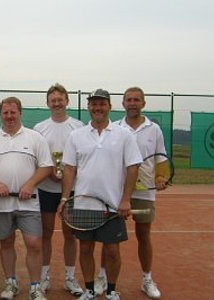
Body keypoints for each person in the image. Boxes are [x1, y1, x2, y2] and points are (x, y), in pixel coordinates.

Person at [57, 89, 142, 300]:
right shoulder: (76, 136)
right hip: (84, 204)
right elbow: (69, 169)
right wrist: (65, 199)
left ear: (109, 107)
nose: (98, 108)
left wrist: (125, 200)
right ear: (89, 107)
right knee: (85, 248)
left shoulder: (124, 135)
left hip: (112, 205)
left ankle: (112, 291)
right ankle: (89, 290)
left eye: (102, 104)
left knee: (112, 251)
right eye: (94, 104)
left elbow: (133, 167)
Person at [0, 96, 53, 300]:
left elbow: (46, 166)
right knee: (6, 243)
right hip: (0, 204)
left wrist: (29, 184)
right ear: (0, 114)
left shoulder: (35, 138)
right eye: (5, 113)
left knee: (34, 243)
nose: (9, 116)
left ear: (20, 113)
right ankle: (11, 283)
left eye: (13, 112)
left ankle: (35, 287)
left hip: (29, 202)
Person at [92, 87, 165, 299]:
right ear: (122, 104)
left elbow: (161, 160)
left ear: (143, 103)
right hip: (116, 192)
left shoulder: (155, 130)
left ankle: (147, 279)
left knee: (144, 235)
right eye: (129, 100)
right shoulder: (114, 128)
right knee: (109, 239)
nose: (132, 103)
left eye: (136, 100)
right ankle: (103, 276)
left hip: (144, 193)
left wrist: (160, 178)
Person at [33, 83, 84, 296]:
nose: (56, 103)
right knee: (45, 234)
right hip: (45, 189)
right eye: (53, 100)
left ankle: (70, 278)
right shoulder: (39, 128)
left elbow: (83, 156)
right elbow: (35, 158)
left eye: (60, 99)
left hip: (71, 190)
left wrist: (66, 177)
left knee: (70, 235)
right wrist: (50, 173)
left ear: (67, 101)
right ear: (47, 103)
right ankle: (44, 278)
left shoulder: (79, 126)